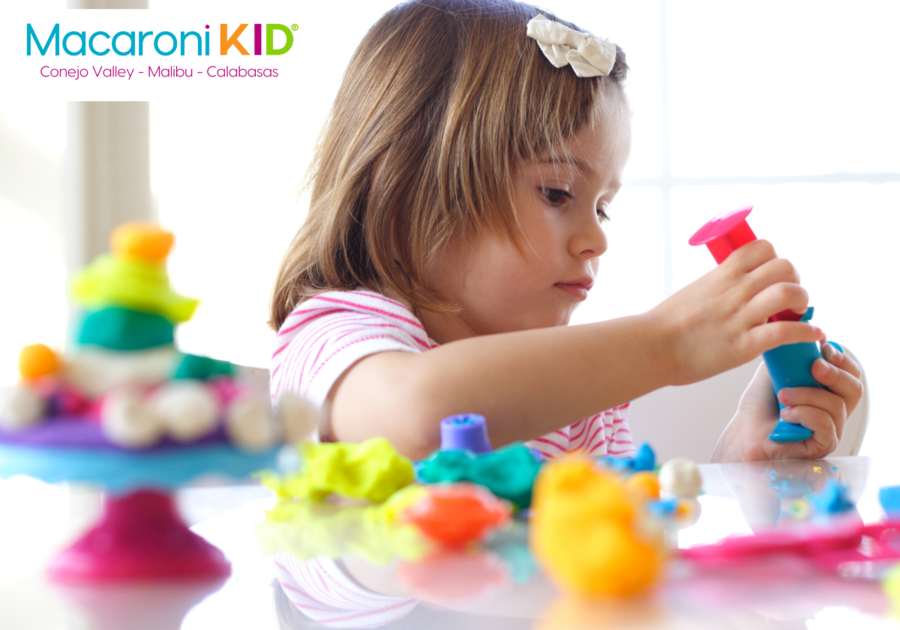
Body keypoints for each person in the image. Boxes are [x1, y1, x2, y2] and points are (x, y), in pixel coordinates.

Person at [268, 0, 862, 462]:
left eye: (601, 207)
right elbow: (420, 416)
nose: (596, 240)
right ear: (404, 190)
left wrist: (739, 462)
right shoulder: (334, 338)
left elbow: (624, 563)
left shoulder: (580, 409)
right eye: (557, 194)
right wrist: (666, 344)